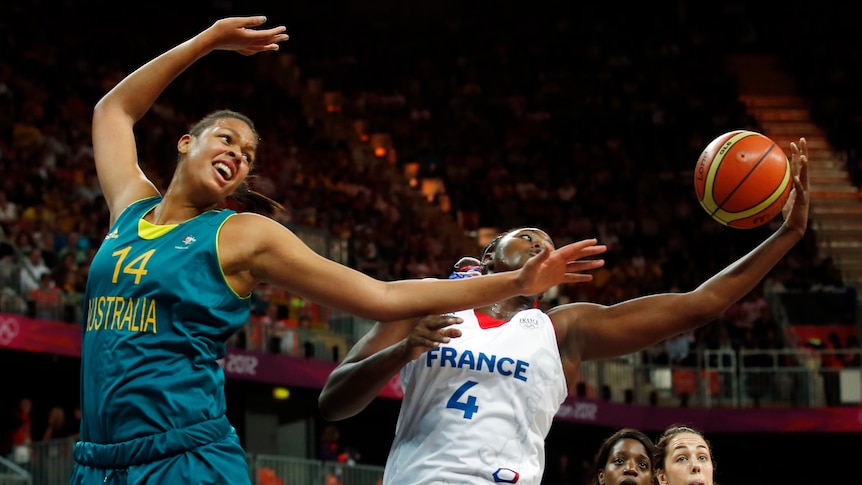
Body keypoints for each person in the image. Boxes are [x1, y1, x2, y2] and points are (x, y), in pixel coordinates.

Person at [71, 15, 606, 485]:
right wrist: (207, 41)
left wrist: (516, 284)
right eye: (226, 139)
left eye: (247, 154)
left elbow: (379, 295)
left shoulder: (241, 234)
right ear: (186, 142)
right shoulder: (130, 209)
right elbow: (112, 112)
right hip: (96, 457)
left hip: (184, 456)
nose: (237, 154)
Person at [318, 138, 810, 484]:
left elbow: (698, 307)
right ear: (488, 256)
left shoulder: (561, 329)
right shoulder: (428, 302)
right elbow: (333, 401)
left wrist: (785, 235)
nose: (541, 245)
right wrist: (403, 351)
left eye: (548, 243)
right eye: (528, 236)